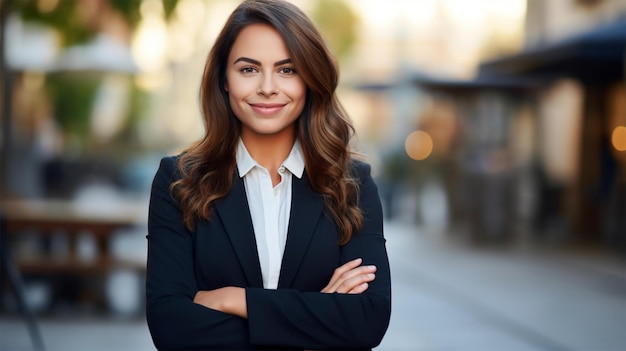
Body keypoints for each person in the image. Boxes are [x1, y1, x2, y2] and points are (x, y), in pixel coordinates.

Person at [145, 0, 391, 349]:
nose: (267, 87)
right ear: (224, 80)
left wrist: (234, 300)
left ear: (310, 79)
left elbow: (368, 319)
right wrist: (318, 319)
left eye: (287, 70)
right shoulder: (178, 182)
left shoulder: (352, 184)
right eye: (248, 69)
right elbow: (171, 327)